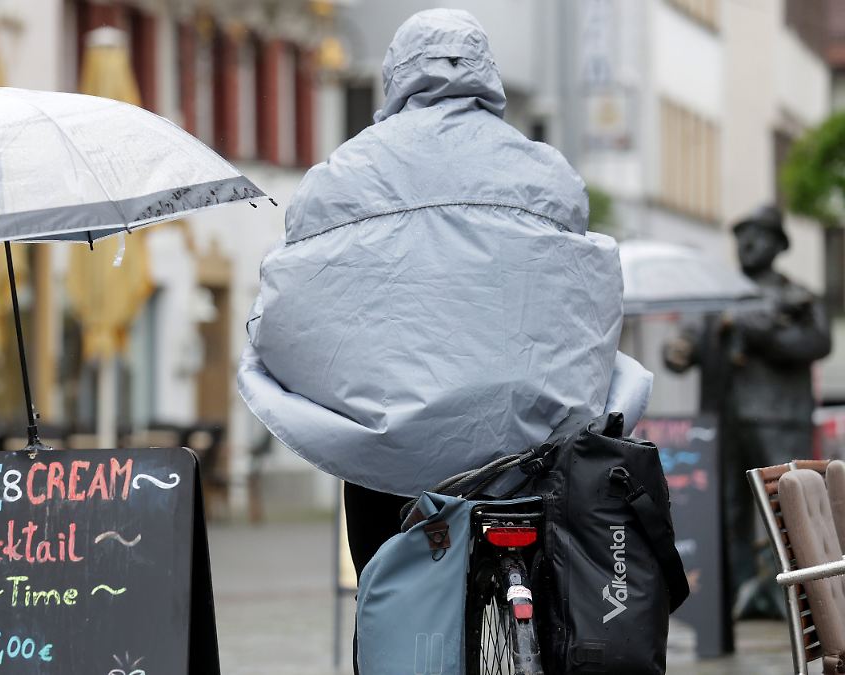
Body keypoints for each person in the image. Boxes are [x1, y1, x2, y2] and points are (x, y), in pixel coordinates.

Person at [237, 10, 652, 671]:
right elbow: (583, 285)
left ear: (395, 74)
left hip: (397, 452)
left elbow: (300, 291)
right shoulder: (542, 168)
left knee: (381, 572)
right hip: (529, 441)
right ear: (487, 74)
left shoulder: (347, 170)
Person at [663, 204, 831, 619]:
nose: (748, 244)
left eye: (758, 235)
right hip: (722, 421)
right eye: (741, 235)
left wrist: (752, 327)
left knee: (785, 506)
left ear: (778, 245)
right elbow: (687, 343)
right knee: (728, 508)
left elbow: (816, 343)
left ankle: (789, 593)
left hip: (777, 418)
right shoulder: (718, 294)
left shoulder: (797, 296)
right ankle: (740, 590)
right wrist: (678, 349)